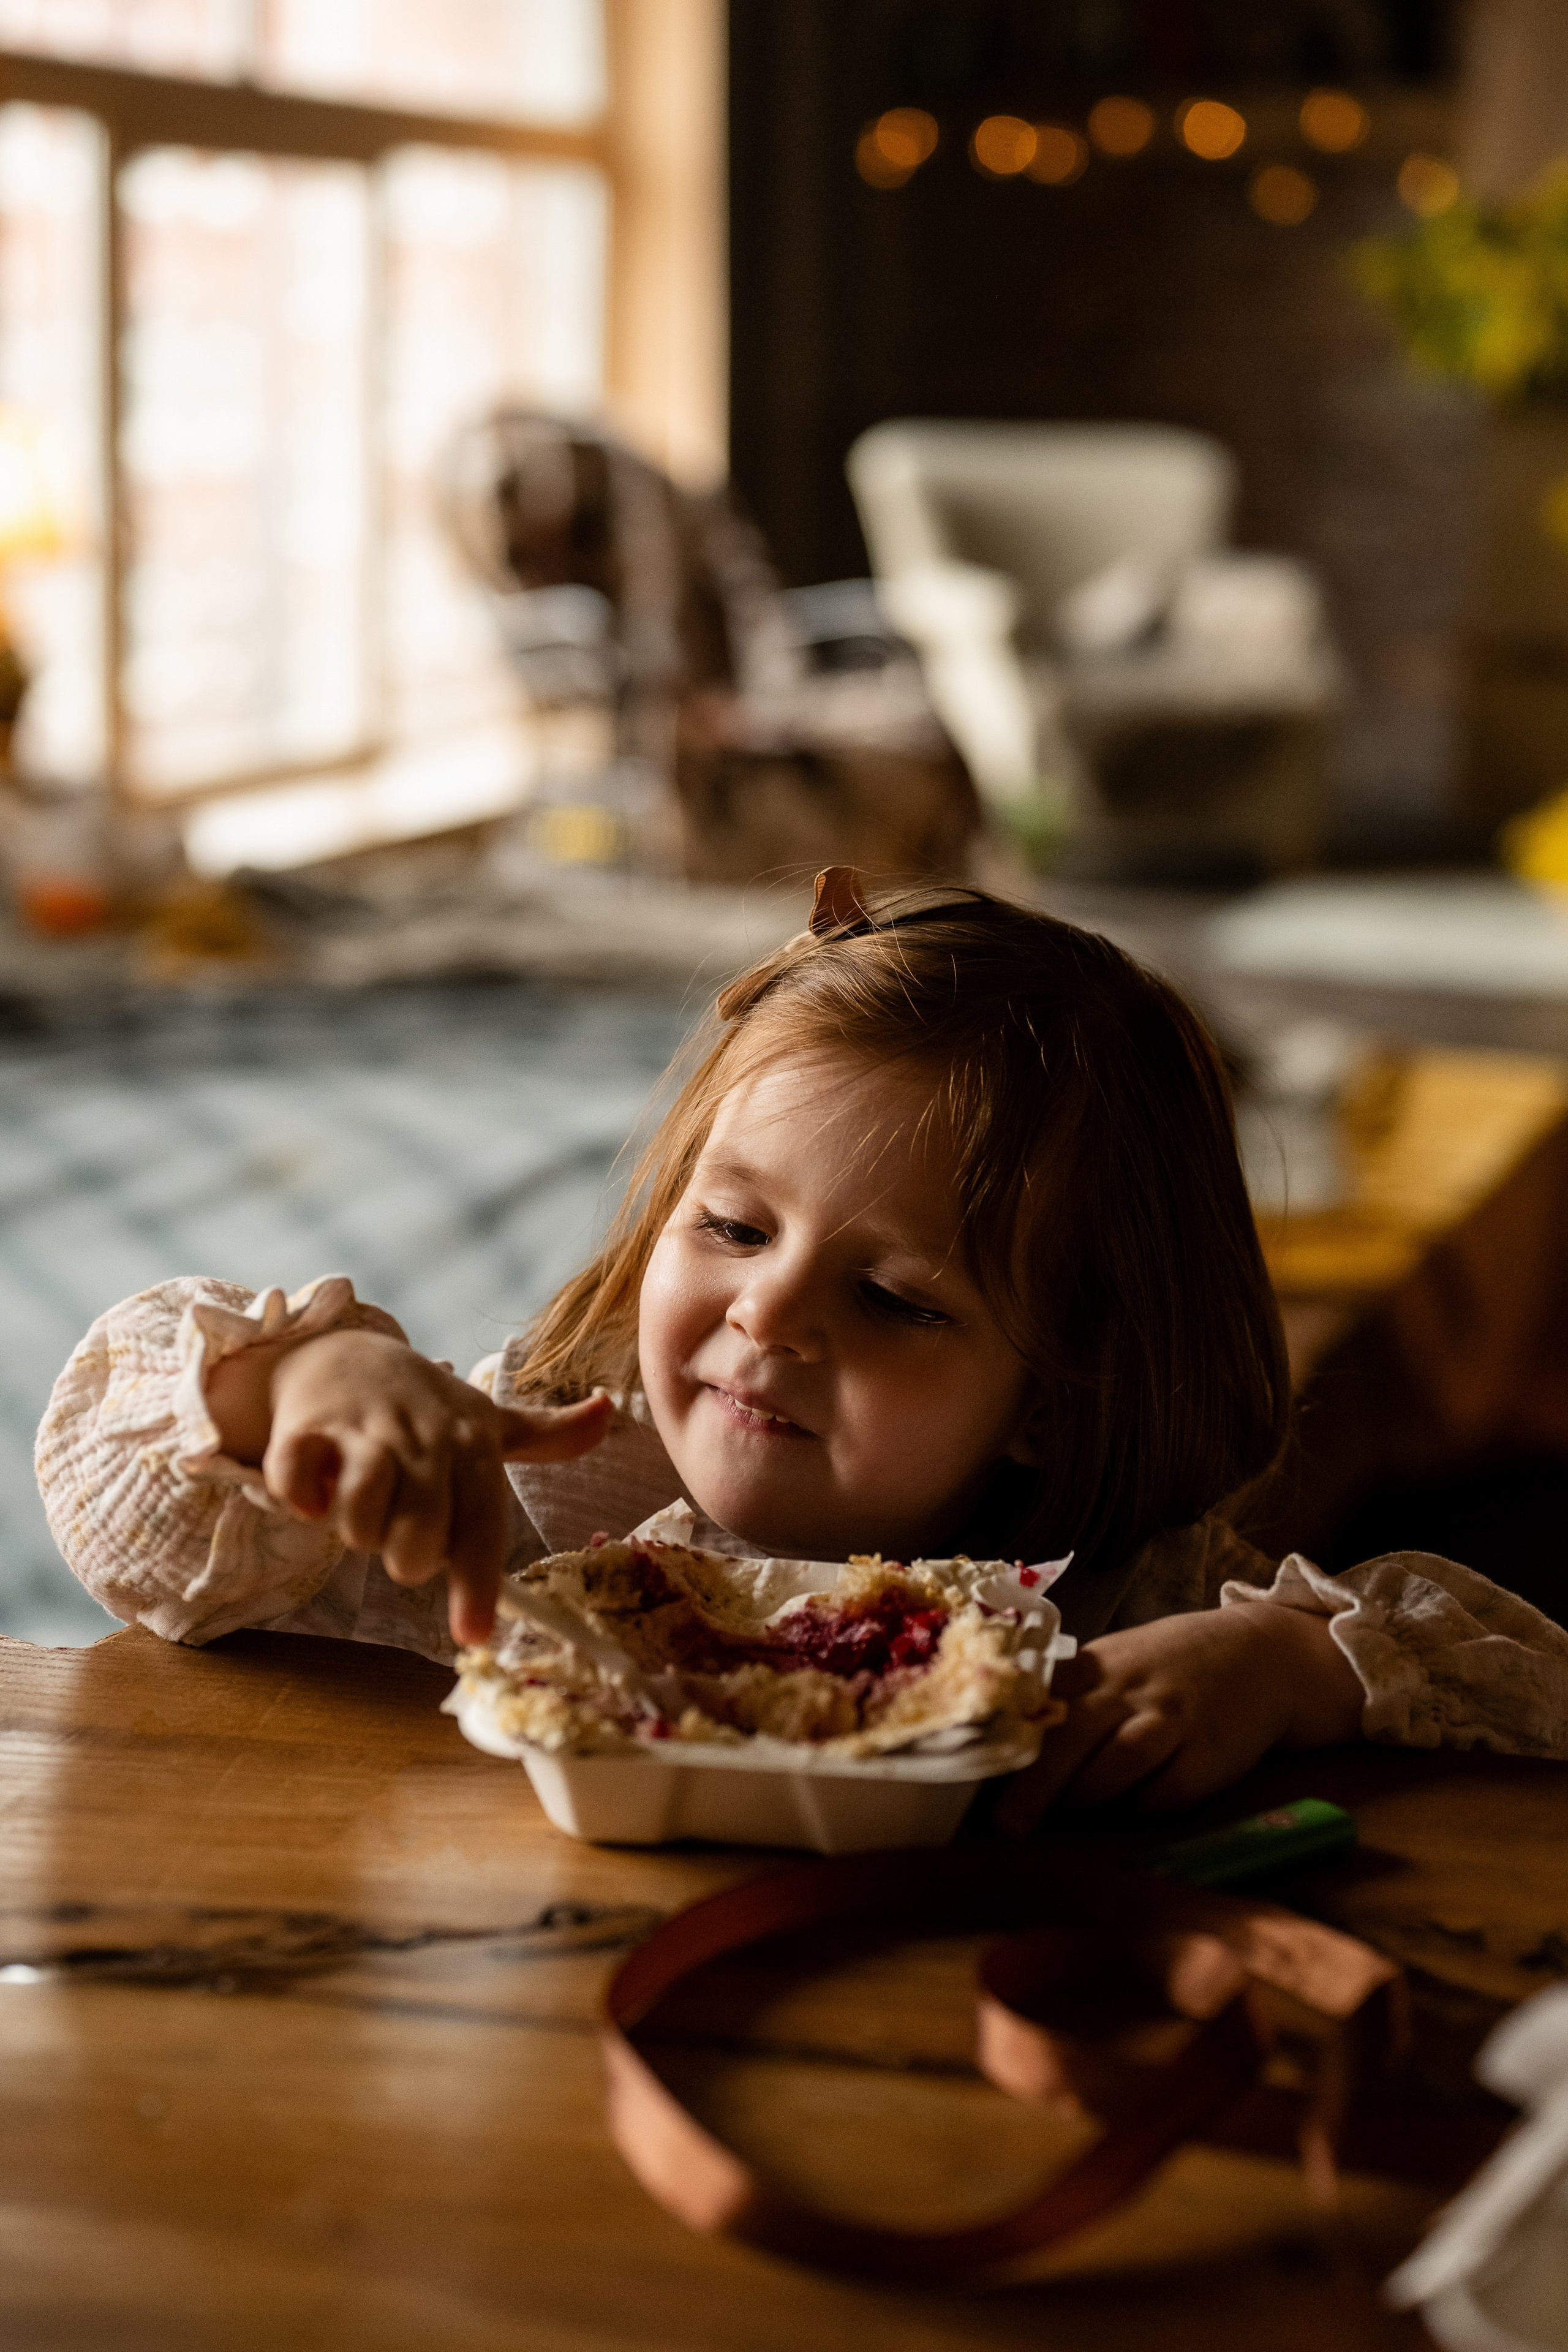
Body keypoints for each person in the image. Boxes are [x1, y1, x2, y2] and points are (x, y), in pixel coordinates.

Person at [36, 870, 1568, 1824]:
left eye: (895, 1300)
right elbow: (122, 1506)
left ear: (1053, 1395)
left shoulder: (1112, 1616)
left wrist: (1288, 1663)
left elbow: (1518, 1690)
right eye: (732, 1230)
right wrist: (296, 1382)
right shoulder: (488, 1519)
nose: (766, 1315)